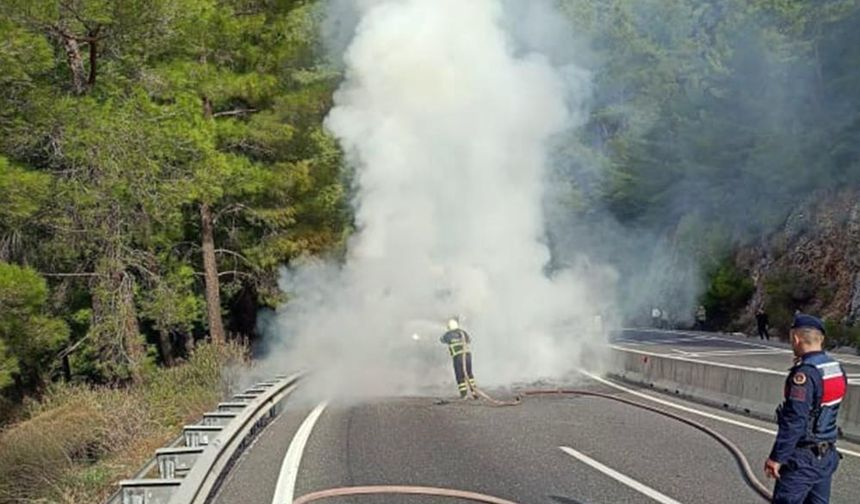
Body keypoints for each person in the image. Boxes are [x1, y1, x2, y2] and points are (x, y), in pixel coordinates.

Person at [764, 314, 847, 503]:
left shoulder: (805, 374)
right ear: (821, 339)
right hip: (827, 455)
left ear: (795, 338)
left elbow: (796, 420)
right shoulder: (835, 368)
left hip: (803, 461)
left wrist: (777, 457)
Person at [440, 318, 476, 399]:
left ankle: (464, 394)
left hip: (458, 357)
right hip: (467, 356)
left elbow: (442, 340)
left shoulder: (448, 334)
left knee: (460, 375)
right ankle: (474, 393)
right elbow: (469, 340)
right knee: (469, 374)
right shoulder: (463, 332)